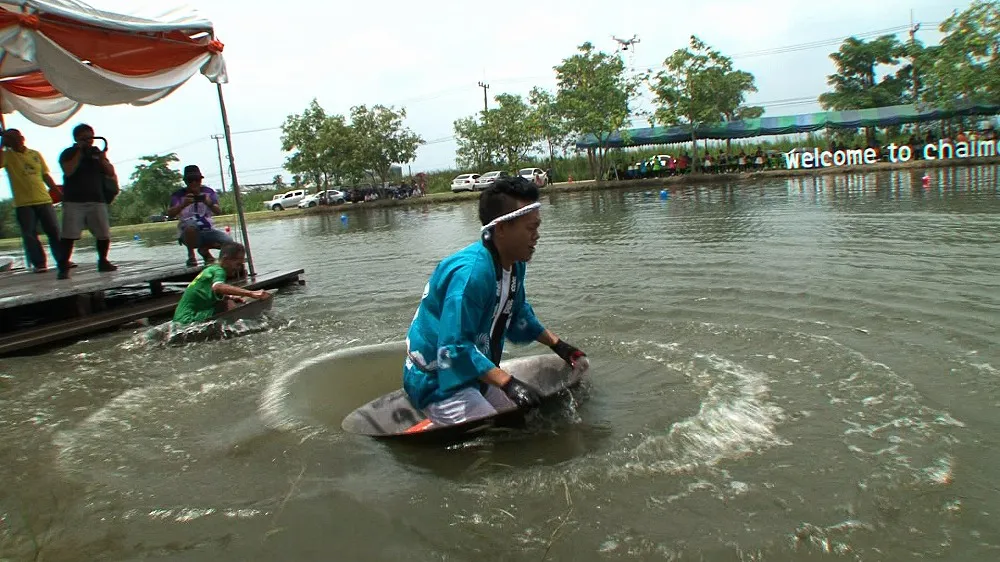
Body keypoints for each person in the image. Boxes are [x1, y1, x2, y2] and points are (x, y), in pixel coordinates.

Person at [402, 176, 586, 426]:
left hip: (474, 371)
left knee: (525, 421)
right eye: (530, 229)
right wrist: (508, 383)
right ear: (501, 229)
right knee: (489, 437)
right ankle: (433, 420)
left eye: (537, 227)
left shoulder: (514, 264)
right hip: (437, 379)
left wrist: (560, 346)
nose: (537, 236)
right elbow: (452, 349)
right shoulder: (471, 275)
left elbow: (518, 314)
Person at [57, 123, 117, 280]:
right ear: (77, 138)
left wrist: (102, 158)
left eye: (91, 136)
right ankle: (63, 267)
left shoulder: (96, 153)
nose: (90, 140)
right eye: (85, 137)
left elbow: (110, 172)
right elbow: (68, 171)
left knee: (103, 233)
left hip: (96, 199)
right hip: (74, 201)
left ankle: (103, 261)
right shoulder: (68, 153)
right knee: (69, 234)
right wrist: (79, 151)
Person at [0, 129, 63, 272]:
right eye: (10, 139)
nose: (14, 141)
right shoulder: (7, 156)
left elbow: (45, 175)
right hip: (24, 203)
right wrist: (2, 144)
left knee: (54, 230)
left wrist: (56, 190)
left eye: (16, 138)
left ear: (22, 138)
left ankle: (62, 259)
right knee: (29, 234)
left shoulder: (35, 154)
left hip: (43, 199)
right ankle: (39, 263)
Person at [172, 242, 270, 325]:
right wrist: (250, 293)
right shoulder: (219, 271)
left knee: (229, 301)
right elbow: (217, 287)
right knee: (228, 305)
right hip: (188, 319)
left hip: (180, 318)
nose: (238, 268)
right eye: (237, 264)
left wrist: (230, 296)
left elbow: (206, 293)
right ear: (226, 259)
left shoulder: (211, 269)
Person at [166, 164, 231, 266]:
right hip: (188, 232)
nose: (194, 183)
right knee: (190, 226)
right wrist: (183, 205)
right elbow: (170, 214)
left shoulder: (208, 192)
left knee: (228, 242)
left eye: (197, 180)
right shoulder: (178, 195)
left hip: (207, 229)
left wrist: (208, 202)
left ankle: (205, 252)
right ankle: (191, 255)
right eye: (190, 181)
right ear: (185, 182)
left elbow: (218, 211)